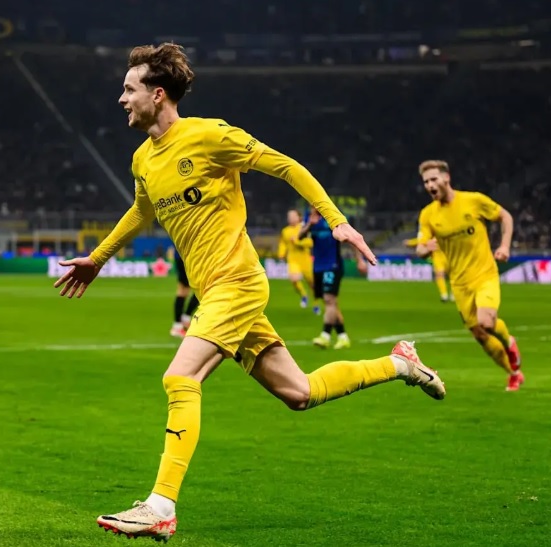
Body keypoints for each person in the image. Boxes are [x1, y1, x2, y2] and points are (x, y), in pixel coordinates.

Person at [53, 43, 446, 543]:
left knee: (180, 376)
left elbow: (286, 166)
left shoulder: (210, 135)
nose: (121, 99)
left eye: (129, 89)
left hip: (237, 283)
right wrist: (98, 258)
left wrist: (337, 222)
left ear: (158, 94)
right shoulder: (142, 159)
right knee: (299, 393)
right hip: (215, 291)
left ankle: (160, 506)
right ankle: (400, 364)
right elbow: (141, 211)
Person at [415, 160, 522, 391]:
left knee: (486, 322)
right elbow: (420, 248)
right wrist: (425, 249)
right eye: (426, 182)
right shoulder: (428, 214)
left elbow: (505, 217)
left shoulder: (473, 201)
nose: (429, 185)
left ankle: (509, 341)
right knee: (481, 336)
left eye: (433, 179)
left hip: (484, 274)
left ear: (446, 178)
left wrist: (505, 246)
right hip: (459, 283)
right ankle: (514, 373)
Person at [301, 207, 367, 349]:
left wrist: (359, 260)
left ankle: (325, 335)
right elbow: (300, 236)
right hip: (317, 266)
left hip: (333, 265)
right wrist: (310, 225)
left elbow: (350, 238)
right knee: (330, 303)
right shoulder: (309, 217)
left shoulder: (332, 216)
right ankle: (343, 337)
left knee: (329, 300)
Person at [278, 208, 319, 312]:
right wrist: (281, 253)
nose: (290, 218)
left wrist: (297, 242)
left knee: (312, 284)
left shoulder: (304, 228)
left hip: (305, 259)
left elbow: (310, 243)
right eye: (289, 216)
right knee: (294, 278)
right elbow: (283, 243)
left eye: (293, 216)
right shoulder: (285, 231)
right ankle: (304, 295)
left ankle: (316, 304)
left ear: (299, 217)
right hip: (292, 259)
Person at [403, 235, 451, 302]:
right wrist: (410, 242)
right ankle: (444, 294)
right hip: (438, 258)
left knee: (454, 276)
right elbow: (422, 240)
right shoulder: (432, 235)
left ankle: (454, 294)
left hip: (450, 256)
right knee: (439, 274)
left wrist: (409, 242)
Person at [170, 251, 199, 337]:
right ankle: (177, 326)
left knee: (185, 290)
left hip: (185, 256)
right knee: (184, 290)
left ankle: (183, 321)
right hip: (187, 256)